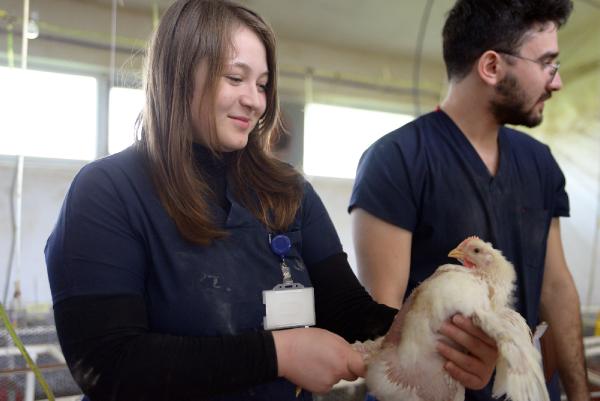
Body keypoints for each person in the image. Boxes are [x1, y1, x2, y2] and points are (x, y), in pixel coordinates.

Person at [45, 1, 497, 400]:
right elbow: (107, 365)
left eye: (262, 84)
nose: (255, 101)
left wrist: (435, 339)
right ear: (179, 75)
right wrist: (278, 354)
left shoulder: (287, 192)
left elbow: (346, 311)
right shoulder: (108, 192)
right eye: (236, 78)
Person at [350, 0, 589, 400]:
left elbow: (557, 287)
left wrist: (579, 396)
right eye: (548, 64)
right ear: (492, 67)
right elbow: (384, 322)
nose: (557, 82)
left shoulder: (540, 163)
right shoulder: (396, 160)